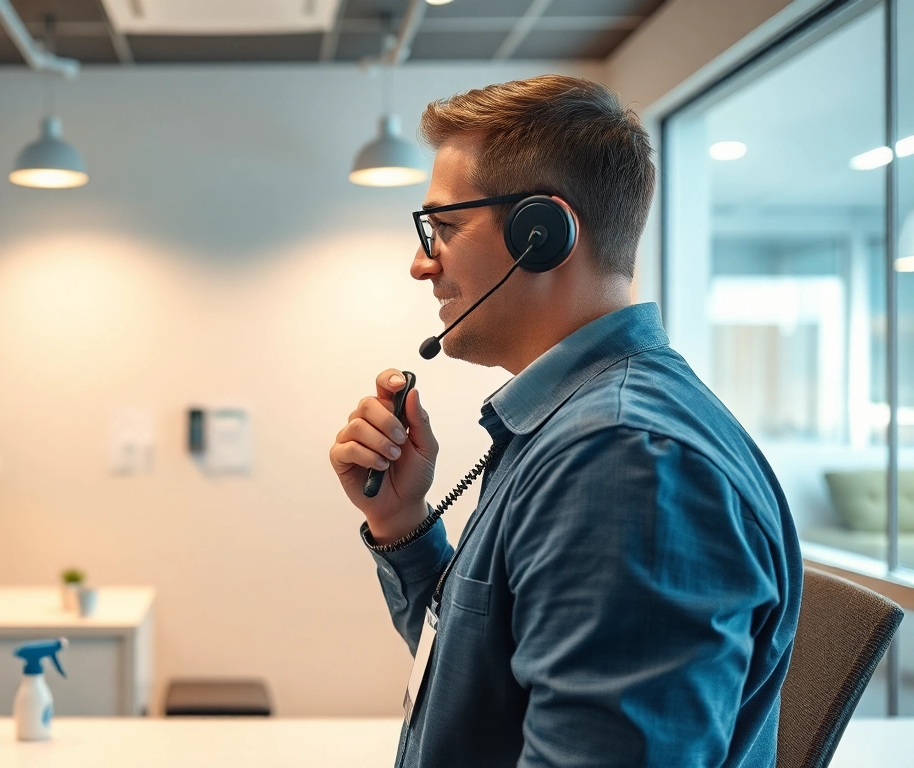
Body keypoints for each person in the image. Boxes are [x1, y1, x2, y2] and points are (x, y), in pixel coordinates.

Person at [328, 75, 801, 767]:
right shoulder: (574, 433)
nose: (421, 264)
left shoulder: (624, 461)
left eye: (444, 227)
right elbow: (480, 681)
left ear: (541, 234)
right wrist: (401, 522)